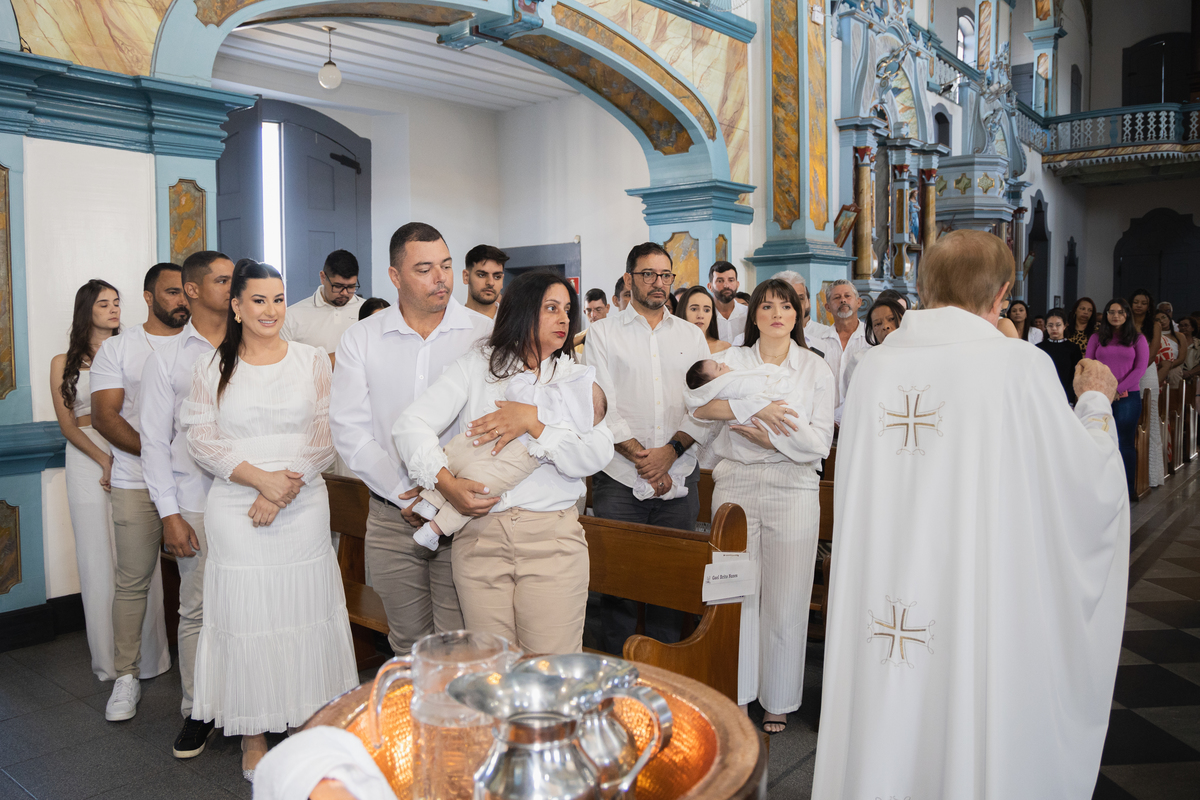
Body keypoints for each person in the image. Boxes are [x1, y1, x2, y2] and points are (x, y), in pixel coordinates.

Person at [812, 229, 1128, 800]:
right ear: (1002, 293)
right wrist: (1095, 401)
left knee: (888, 702)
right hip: (975, 593)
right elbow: (1085, 484)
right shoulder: (1018, 366)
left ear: (925, 287)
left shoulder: (875, 369)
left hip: (884, 598)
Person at [184, 260, 357, 780]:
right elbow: (201, 438)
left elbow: (325, 436)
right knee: (248, 617)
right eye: (258, 300)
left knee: (303, 609)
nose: (270, 310)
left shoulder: (312, 360)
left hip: (301, 502)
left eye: (278, 299)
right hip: (237, 505)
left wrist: (282, 490)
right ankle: (253, 732)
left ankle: (305, 720)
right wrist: (261, 481)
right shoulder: (211, 367)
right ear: (236, 307)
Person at [394, 272, 615, 654]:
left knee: (550, 670)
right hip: (480, 538)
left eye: (567, 310)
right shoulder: (477, 366)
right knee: (492, 668)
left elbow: (597, 454)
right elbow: (409, 425)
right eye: (551, 308)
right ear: (522, 311)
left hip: (551, 541)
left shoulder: (577, 379)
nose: (564, 319)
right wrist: (446, 483)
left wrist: (535, 423)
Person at [330, 222, 492, 657]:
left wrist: (441, 490)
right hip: (391, 513)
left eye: (446, 266)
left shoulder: (483, 334)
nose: (441, 278)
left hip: (461, 514)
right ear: (395, 276)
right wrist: (405, 491)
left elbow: (489, 425)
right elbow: (349, 428)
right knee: (406, 644)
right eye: (424, 269)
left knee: (459, 645)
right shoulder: (362, 338)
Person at [690, 278, 834, 733]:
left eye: (785, 306)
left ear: (798, 314)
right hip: (736, 482)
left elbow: (820, 443)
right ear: (753, 314)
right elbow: (698, 408)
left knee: (786, 597)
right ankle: (736, 693)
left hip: (793, 486)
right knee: (734, 593)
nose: (776, 314)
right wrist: (755, 411)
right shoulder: (732, 360)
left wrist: (773, 438)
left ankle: (778, 698)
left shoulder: (814, 368)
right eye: (767, 306)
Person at [584, 242, 712, 653]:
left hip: (680, 476)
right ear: (629, 278)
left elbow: (704, 404)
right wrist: (645, 459)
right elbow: (602, 407)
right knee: (618, 592)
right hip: (620, 479)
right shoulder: (603, 334)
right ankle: (618, 680)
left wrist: (669, 454)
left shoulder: (691, 335)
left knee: (671, 592)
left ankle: (666, 677)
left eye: (666, 275)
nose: (659, 283)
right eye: (648, 274)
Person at [140, 250, 235, 758]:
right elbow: (154, 442)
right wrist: (169, 514)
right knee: (196, 608)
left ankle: (250, 703)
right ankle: (198, 710)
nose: (233, 286)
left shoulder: (256, 341)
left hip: (250, 499)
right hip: (194, 499)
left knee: (247, 605)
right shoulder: (169, 357)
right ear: (193, 290)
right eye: (223, 280)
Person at [51, 279, 161, 684]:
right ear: (87, 311)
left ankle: (150, 659)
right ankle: (111, 663)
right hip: (87, 455)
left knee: (138, 553)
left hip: (130, 447)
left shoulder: (132, 349)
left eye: (116, 302)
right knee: (96, 554)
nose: (114, 309)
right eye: (103, 304)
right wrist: (103, 459)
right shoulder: (62, 361)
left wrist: (126, 454)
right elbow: (68, 423)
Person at [92, 265, 189, 720]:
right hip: (135, 481)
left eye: (186, 292)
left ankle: (205, 680)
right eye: (172, 292)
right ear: (148, 297)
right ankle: (126, 676)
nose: (182, 300)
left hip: (194, 482)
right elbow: (106, 417)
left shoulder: (205, 344)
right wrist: (160, 455)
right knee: (132, 581)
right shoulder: (119, 347)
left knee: (204, 582)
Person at [406, 358, 604, 546]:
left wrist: (529, 378)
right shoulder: (575, 426)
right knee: (478, 490)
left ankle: (430, 506)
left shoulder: (549, 397)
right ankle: (433, 530)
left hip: (509, 450)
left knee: (457, 463)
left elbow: (515, 391)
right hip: (518, 459)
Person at [1085, 298, 1149, 495]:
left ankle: (1125, 489)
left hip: (1127, 396)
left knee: (1124, 441)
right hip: (1100, 396)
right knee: (1100, 440)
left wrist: (1117, 389)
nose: (1116, 316)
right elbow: (1089, 364)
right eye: (1111, 312)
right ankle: (1102, 488)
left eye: (1120, 312)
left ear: (1127, 315)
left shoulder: (1138, 339)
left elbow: (1140, 369)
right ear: (1106, 315)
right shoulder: (1097, 337)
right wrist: (1101, 390)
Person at [281, 249, 364, 358]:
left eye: (351, 287)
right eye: (337, 286)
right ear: (323, 277)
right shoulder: (291, 317)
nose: (344, 293)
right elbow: (283, 362)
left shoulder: (368, 311)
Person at [814, 279, 869, 424]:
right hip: (826, 423)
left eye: (847, 296)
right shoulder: (818, 342)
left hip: (862, 420)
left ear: (858, 302)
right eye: (837, 298)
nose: (843, 300)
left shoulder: (872, 339)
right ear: (827, 307)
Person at [840, 297, 906, 401]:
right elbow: (851, 395)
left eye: (891, 319)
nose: (885, 326)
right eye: (878, 324)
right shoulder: (861, 359)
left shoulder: (918, 355)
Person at [1130, 289, 1164, 487]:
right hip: (1127, 369)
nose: (1139, 306)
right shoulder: (1125, 322)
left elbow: (1154, 350)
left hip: (1147, 371)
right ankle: (1133, 472)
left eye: (1143, 302)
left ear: (1149, 305)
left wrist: (1138, 369)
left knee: (1149, 419)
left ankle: (1151, 475)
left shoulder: (1155, 325)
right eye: (1136, 302)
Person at [771, 271, 830, 354]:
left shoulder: (821, 348)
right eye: (785, 300)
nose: (795, 305)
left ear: (806, 302)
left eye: (800, 299)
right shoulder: (753, 347)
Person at [1037, 308, 1083, 403]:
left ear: (1065, 326)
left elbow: (1076, 375)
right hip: (1043, 396)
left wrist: (1070, 396)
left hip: (1067, 397)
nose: (1054, 328)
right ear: (1046, 326)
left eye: (1058, 325)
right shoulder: (1038, 348)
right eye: (1050, 325)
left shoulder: (1073, 348)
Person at [675, 285, 730, 354]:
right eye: (694, 309)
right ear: (683, 311)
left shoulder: (725, 348)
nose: (700, 316)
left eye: (706, 310)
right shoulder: (671, 347)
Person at [462, 244, 507, 319]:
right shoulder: (452, 322)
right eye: (481, 275)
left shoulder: (513, 320)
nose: (491, 283)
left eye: (497, 277)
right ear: (466, 277)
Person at [707, 261, 747, 345]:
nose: (726, 285)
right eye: (720, 281)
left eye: (731, 280)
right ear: (710, 287)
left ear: (737, 284)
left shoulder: (748, 314)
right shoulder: (705, 316)